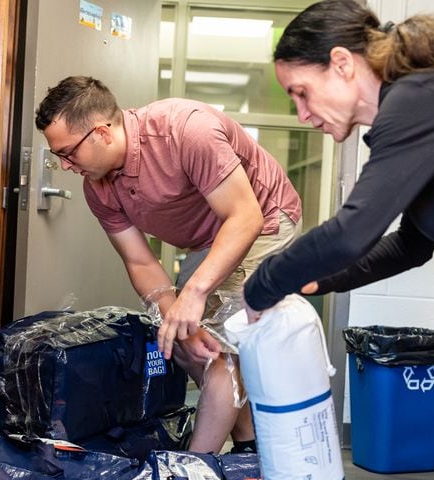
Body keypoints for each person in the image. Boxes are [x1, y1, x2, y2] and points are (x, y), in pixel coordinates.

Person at [35, 76, 302, 453]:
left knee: (217, 346)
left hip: (262, 221)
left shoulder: (186, 131)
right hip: (208, 236)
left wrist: (193, 294)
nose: (64, 166)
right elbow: (139, 260)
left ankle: (193, 465)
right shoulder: (97, 186)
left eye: (68, 153)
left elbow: (245, 217)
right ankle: (249, 444)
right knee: (181, 340)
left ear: (101, 133)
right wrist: (175, 314)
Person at [244, 0, 434, 317]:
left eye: (302, 93)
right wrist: (319, 278)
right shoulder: (415, 103)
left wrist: (261, 286)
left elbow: (349, 235)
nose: (303, 115)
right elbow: (409, 247)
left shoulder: (418, 99)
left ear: (341, 64)